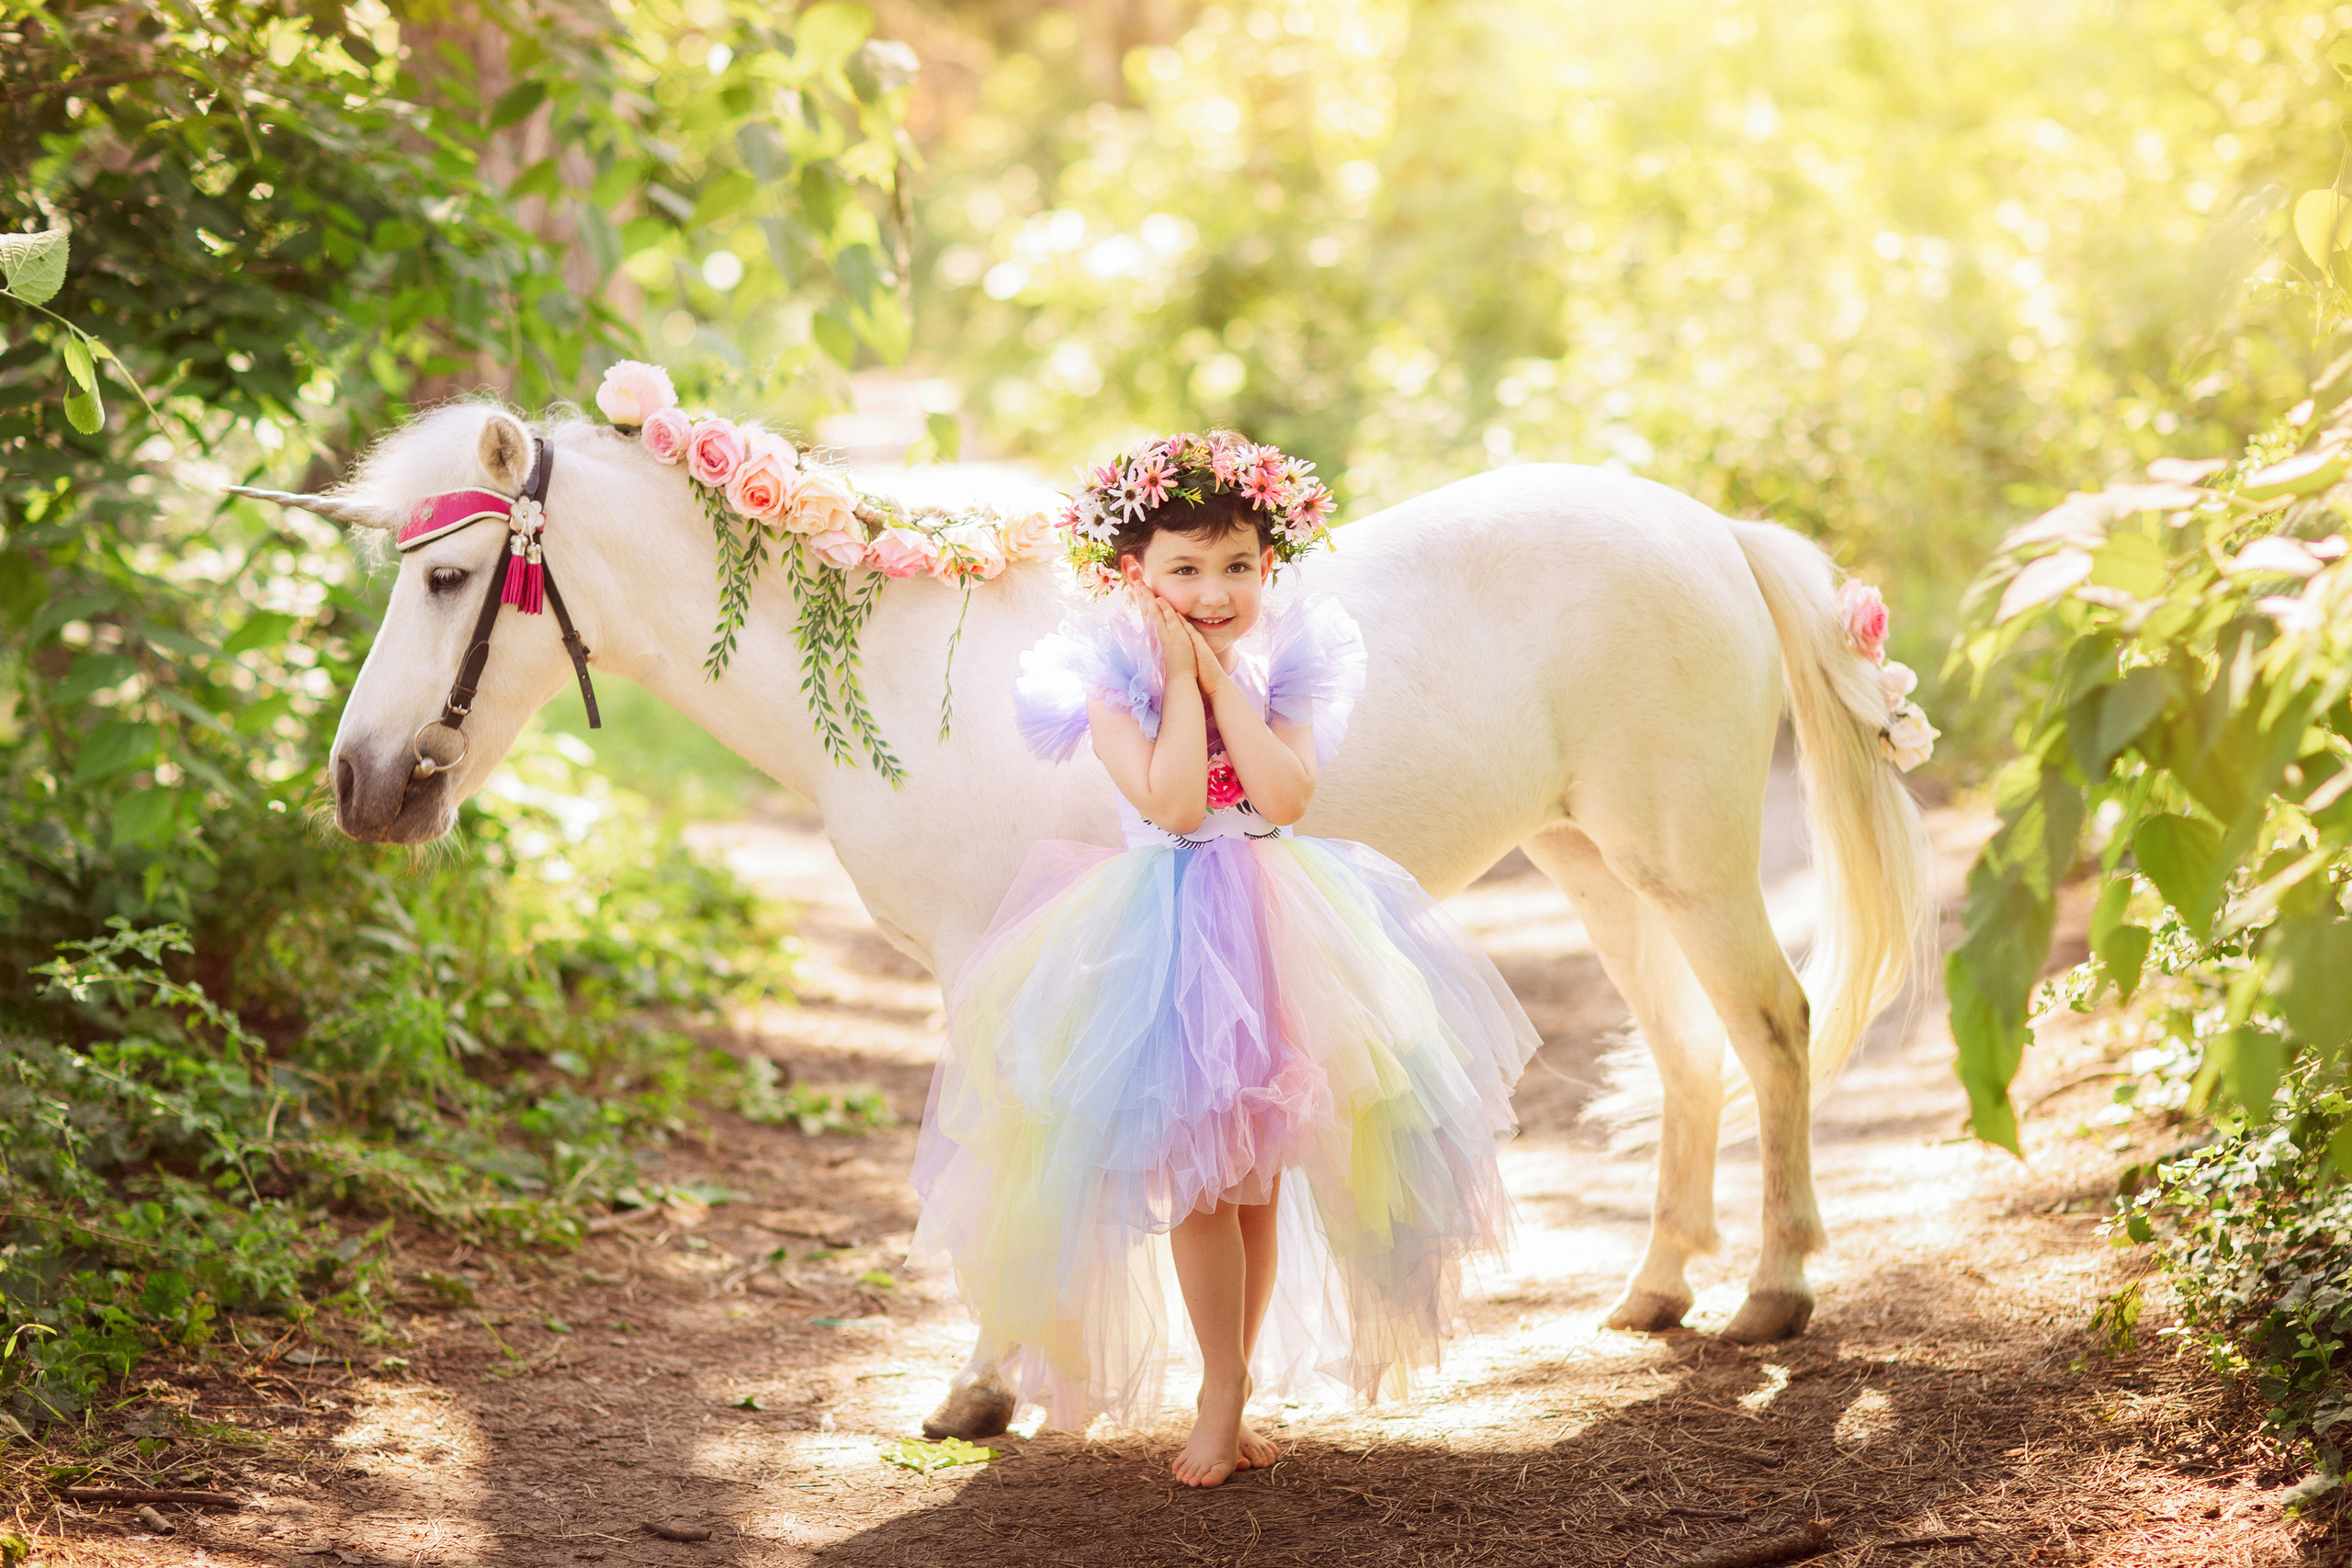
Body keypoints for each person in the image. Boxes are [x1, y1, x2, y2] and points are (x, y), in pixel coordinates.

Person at [910, 432, 1539, 1487]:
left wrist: (1222, 679)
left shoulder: (1288, 666)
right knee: (1202, 1185)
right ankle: (1218, 1389)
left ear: (1267, 569)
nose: (1214, 590)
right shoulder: (1105, 680)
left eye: (1237, 566)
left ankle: (1233, 1380)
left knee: (1256, 1185)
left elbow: (1284, 799)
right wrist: (1182, 680)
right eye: (1185, 570)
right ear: (1134, 578)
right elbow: (1172, 801)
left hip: (1281, 922)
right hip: (1158, 934)